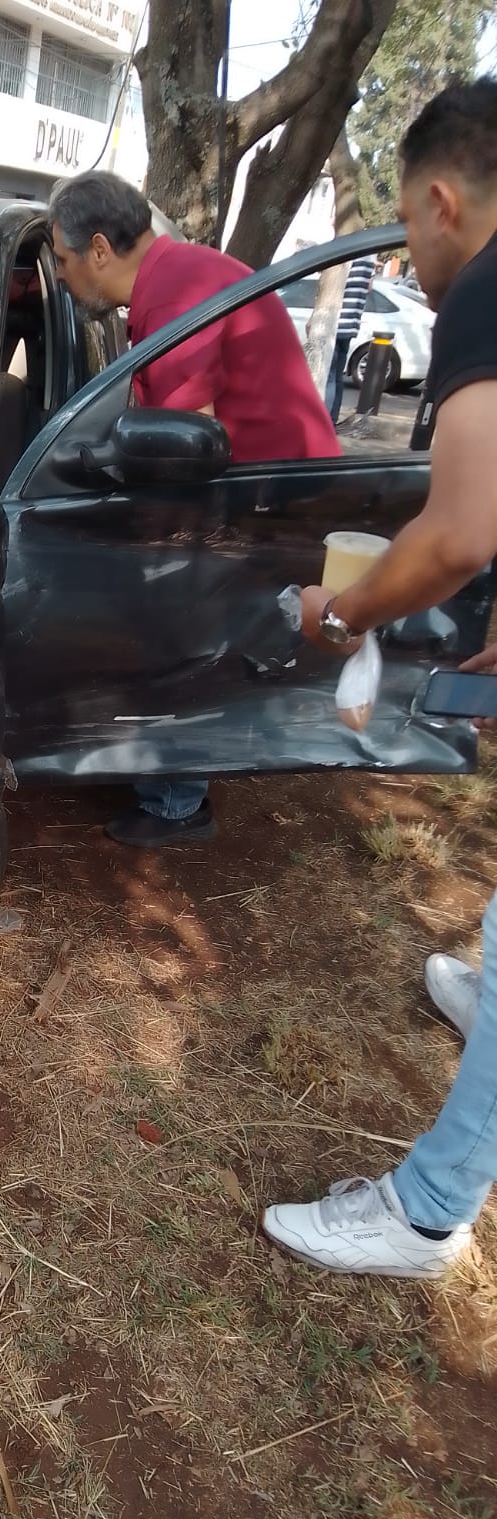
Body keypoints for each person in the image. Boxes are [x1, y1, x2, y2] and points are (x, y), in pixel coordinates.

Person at [264, 77, 497, 1280]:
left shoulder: (488, 288)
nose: (412, 256)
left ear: (442, 200)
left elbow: (458, 530)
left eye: (407, 226)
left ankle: (424, 1211)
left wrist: (342, 609)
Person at [47, 172, 340, 849]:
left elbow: (180, 450)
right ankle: (175, 779)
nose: (61, 280)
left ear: (97, 248)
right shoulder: (176, 275)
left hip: (269, 493)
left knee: (177, 617)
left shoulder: (177, 293)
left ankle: (177, 801)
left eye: (61, 262)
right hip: (259, 481)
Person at [325, 251, 378, 423]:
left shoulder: (348, 253)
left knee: (329, 375)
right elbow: (369, 287)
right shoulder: (370, 257)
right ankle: (332, 418)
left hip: (335, 321)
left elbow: (332, 284)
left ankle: (324, 420)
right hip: (352, 322)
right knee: (338, 375)